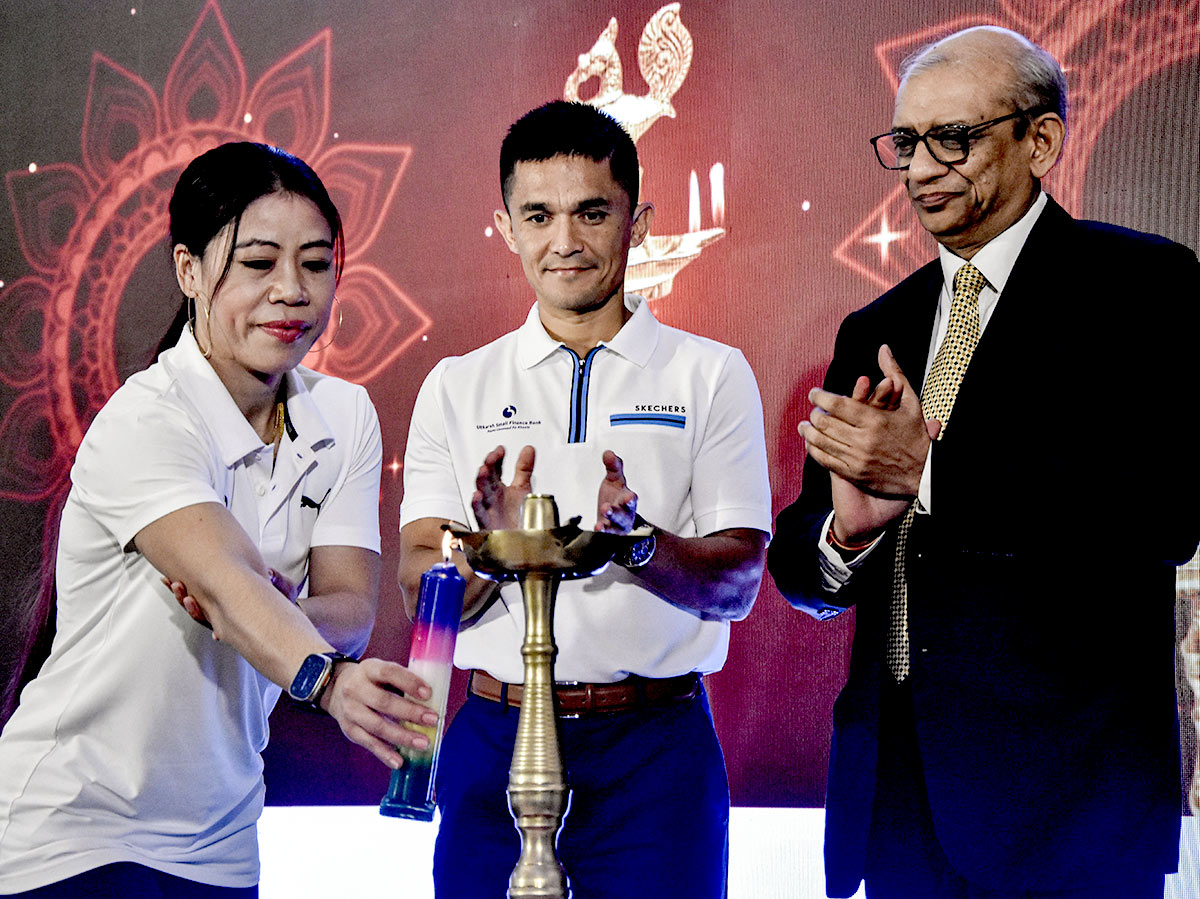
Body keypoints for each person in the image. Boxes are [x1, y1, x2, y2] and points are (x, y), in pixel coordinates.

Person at [769, 25, 1200, 899]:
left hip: (1072, 803)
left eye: (954, 138)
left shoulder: (1145, 288)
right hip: (896, 799)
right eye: (906, 143)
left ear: (1041, 139)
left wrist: (927, 476)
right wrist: (844, 535)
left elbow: (1163, 513)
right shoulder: (875, 327)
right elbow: (799, 561)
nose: (923, 167)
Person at [0, 142, 436, 897]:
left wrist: (268, 611)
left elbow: (352, 610)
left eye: (317, 264)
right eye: (259, 263)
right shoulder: (147, 419)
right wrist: (326, 680)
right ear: (189, 272)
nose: (293, 291)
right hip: (70, 832)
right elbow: (229, 587)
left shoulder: (344, 414)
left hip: (222, 840)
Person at [398, 100, 771, 898]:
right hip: (494, 736)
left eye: (591, 212)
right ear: (506, 226)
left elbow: (739, 583)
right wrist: (491, 553)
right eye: (538, 215)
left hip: (654, 749)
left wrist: (637, 541)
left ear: (637, 222)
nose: (563, 241)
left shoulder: (710, 373)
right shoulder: (456, 386)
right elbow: (417, 594)